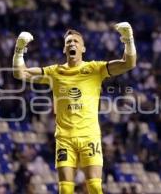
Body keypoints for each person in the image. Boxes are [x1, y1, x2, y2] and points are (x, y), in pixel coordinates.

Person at [12, 22, 137, 194]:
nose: (72, 44)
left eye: (76, 42)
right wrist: (19, 50)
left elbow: (128, 63)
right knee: (65, 190)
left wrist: (128, 40)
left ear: (83, 49)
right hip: (65, 138)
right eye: (68, 42)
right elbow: (20, 73)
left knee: (94, 187)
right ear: (64, 50)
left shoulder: (94, 69)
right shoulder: (54, 72)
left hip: (89, 136)